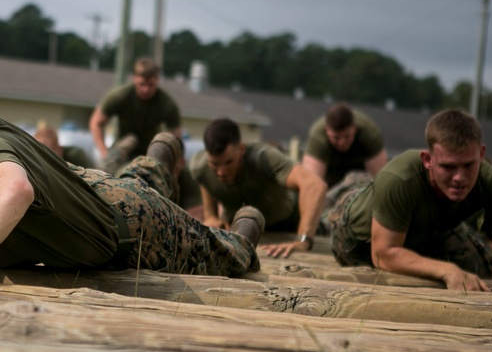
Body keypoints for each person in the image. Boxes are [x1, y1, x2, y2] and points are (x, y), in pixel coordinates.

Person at [0, 44, 264, 302]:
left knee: (223, 253)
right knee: (132, 184)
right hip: (93, 189)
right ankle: (155, 165)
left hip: (137, 228)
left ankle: (245, 231)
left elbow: (11, 189)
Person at [327, 109, 492, 292]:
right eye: (448, 167)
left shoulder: (490, 180)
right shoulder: (399, 179)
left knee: (486, 274)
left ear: (481, 155)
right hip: (359, 240)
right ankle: (350, 185)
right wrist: (446, 270)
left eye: (468, 165)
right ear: (427, 160)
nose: (459, 178)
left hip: (428, 233)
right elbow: (382, 254)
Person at [191, 118, 327, 258]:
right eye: (215, 165)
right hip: (243, 232)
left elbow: (314, 186)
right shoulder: (199, 168)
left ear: (242, 149)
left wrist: (302, 241)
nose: (221, 172)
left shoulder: (264, 158)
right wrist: (211, 217)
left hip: (288, 226)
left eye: (228, 162)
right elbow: (206, 183)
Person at [88, 57, 182, 175]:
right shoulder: (120, 96)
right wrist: (104, 153)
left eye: (150, 85)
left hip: (150, 155)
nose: (146, 89)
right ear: (134, 78)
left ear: (157, 80)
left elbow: (175, 138)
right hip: (121, 154)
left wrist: (174, 166)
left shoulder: (167, 104)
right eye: (141, 84)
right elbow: (96, 122)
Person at [302, 103, 388, 189]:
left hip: (361, 183)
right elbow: (310, 184)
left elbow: (381, 180)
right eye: (336, 138)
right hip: (329, 181)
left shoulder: (369, 134)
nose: (342, 142)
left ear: (355, 128)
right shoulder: (318, 137)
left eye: (347, 136)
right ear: (327, 130)